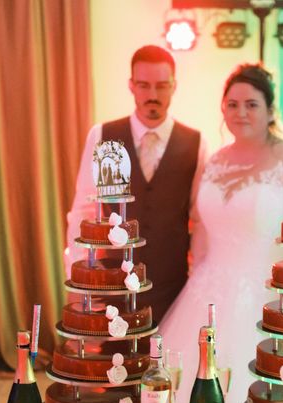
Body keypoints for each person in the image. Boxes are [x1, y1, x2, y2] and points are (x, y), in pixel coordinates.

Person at [158, 64, 283, 403]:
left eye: (251, 104)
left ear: (270, 111)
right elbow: (201, 226)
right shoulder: (216, 160)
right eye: (232, 104)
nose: (241, 113)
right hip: (206, 291)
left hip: (263, 294)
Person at [64, 45, 208, 324]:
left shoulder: (196, 143)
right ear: (131, 86)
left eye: (161, 86)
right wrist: (77, 272)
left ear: (174, 86)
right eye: (143, 85)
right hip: (111, 280)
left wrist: (199, 279)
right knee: (114, 362)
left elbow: (200, 220)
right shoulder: (104, 136)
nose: (152, 95)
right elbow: (83, 210)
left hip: (172, 284)